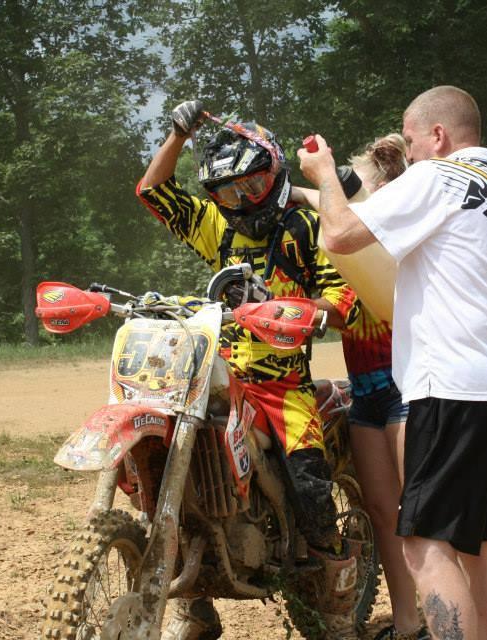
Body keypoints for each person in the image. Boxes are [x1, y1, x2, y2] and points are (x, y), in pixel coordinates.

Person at [297, 86, 487, 640]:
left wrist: (324, 174)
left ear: (438, 136)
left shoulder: (439, 177)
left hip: (449, 386)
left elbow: (340, 233)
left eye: (410, 140)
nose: (409, 154)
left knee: (424, 544)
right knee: (483, 546)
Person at [136, 99, 363, 640]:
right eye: (227, 192)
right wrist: (177, 134)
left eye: (251, 187)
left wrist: (307, 312)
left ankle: (335, 615)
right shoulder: (218, 227)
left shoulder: (305, 226)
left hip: (284, 386)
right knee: (170, 462)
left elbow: (344, 296)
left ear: (276, 173)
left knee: (309, 481)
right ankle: (193, 606)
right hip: (218, 372)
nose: (239, 201)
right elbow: (153, 193)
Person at [294, 134, 426, 640]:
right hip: (367, 392)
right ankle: (409, 623)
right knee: (381, 512)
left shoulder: (396, 230)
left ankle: (445, 617)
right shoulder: (345, 232)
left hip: (407, 384)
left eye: (356, 185)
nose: (344, 195)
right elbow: (318, 205)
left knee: (420, 512)